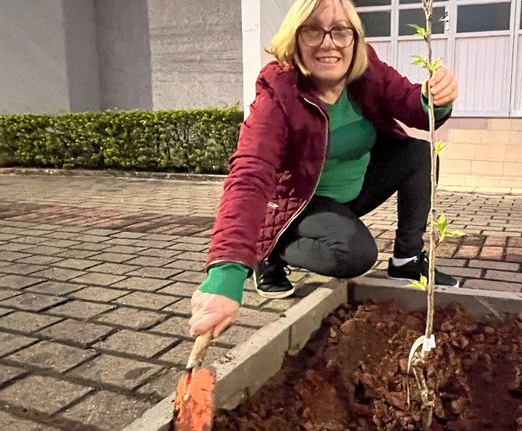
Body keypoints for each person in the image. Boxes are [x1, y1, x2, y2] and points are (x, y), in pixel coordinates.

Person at [188, 0, 461, 339]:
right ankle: (269, 250)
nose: (328, 43)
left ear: (354, 38)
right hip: (301, 203)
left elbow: (413, 107)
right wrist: (227, 272)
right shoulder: (279, 91)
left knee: (420, 153)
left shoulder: (367, 70)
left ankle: (406, 259)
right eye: (313, 31)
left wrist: (434, 98)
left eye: (340, 31)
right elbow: (249, 173)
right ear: (295, 38)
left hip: (356, 190)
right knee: (355, 256)